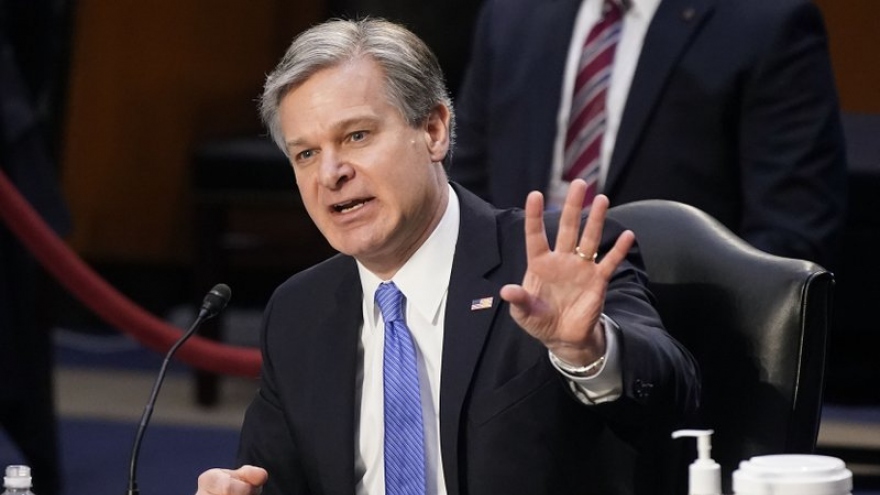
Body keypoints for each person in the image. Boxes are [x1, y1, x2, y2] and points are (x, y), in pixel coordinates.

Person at [195, 18, 699, 495]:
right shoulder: (299, 310)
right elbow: (273, 478)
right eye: (306, 154)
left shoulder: (550, 263)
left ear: (434, 131)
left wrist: (587, 352)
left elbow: (675, 398)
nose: (331, 174)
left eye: (356, 136)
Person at [449, 0, 848, 271]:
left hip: (671, 327)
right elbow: (462, 185)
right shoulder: (510, 13)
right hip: (510, 313)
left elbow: (790, 233)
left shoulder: (767, 23)